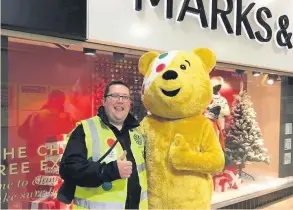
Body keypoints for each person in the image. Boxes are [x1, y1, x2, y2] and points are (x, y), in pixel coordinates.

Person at [59, 80, 148, 209]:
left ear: (130, 104)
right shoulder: (85, 130)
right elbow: (68, 169)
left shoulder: (137, 132)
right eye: (115, 96)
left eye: (125, 97)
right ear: (104, 101)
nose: (120, 100)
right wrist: (109, 171)